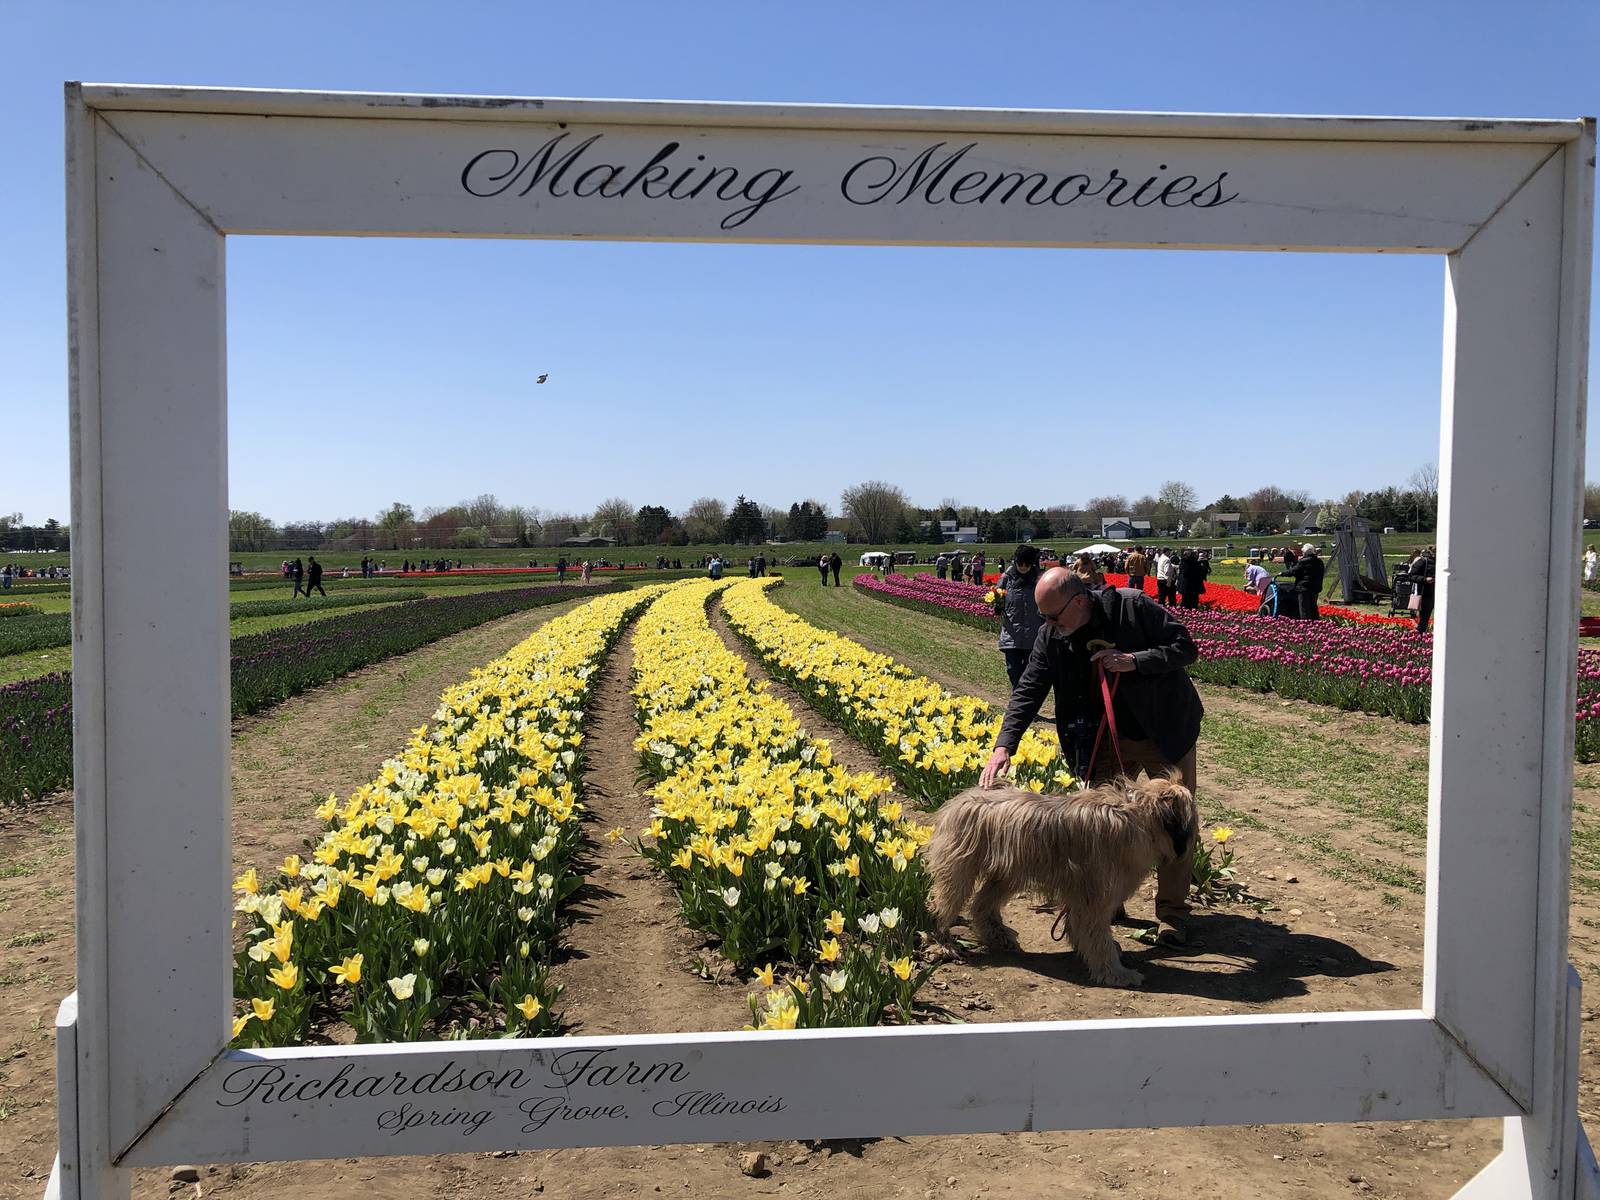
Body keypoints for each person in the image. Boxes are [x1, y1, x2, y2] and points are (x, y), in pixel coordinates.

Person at [979, 568, 1203, 944]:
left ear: (1080, 601)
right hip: (1101, 736)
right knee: (1099, 829)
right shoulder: (1051, 634)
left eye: (1053, 615)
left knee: (1174, 820)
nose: (1047, 624)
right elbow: (1029, 688)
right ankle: (1104, 902)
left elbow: (1185, 647)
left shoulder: (1132, 608)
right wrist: (1005, 744)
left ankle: (1172, 914)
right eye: (1043, 617)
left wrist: (1135, 659)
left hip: (1162, 730)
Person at [994, 545, 1044, 690]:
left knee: (1029, 673)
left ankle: (1022, 705)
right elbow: (998, 598)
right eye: (1020, 563)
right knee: (1013, 670)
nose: (1023, 567)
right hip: (1012, 634)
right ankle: (1019, 703)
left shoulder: (1039, 580)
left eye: (1027, 564)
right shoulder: (1006, 578)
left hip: (1033, 633)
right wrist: (997, 606)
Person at [1281, 542, 1325, 620]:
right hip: (1315, 587)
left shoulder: (1303, 562)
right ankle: (1316, 624)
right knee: (1313, 608)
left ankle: (1305, 626)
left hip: (1304, 588)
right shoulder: (1319, 561)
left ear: (1304, 552)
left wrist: (1282, 573)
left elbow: (1293, 571)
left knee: (1304, 609)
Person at [1412, 545, 1437, 632]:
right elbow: (1411, 575)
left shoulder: (1443, 562)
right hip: (1427, 594)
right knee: (1424, 618)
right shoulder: (1423, 561)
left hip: (1439, 594)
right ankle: (1419, 634)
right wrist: (1425, 579)